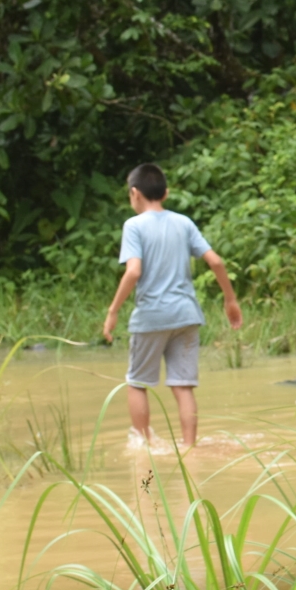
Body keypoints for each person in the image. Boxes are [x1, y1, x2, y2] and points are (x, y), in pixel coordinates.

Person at [102, 162, 243, 448]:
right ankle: (190, 449)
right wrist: (230, 299)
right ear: (165, 193)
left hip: (152, 316)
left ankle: (143, 447)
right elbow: (215, 261)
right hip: (186, 315)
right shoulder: (184, 223)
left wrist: (113, 311)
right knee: (183, 385)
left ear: (134, 194)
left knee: (137, 382)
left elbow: (133, 271)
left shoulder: (133, 226)